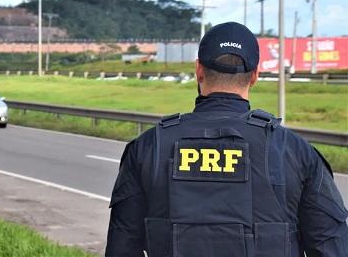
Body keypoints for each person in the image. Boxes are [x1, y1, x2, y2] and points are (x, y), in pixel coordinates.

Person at [105, 22, 348, 257]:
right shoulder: (295, 151)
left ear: (199, 70)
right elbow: (332, 247)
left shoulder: (149, 147)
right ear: (254, 75)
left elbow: (122, 248)